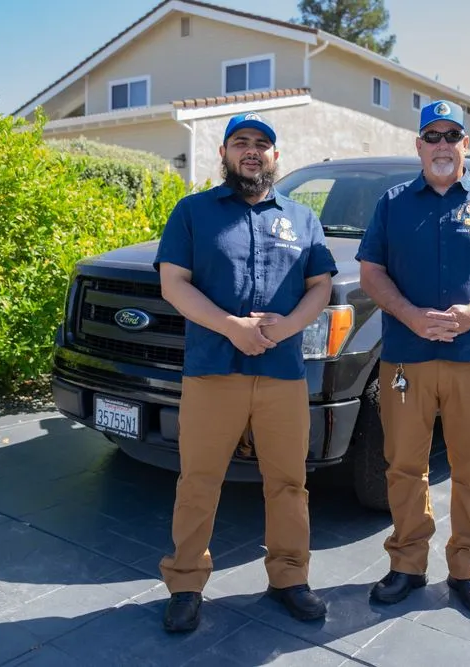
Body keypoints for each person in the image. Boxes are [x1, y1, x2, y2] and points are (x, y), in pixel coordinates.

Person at [154, 112, 338, 632]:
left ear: (275, 156)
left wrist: (286, 328)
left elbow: (320, 286)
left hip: (282, 373)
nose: (251, 150)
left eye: (261, 143)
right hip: (213, 370)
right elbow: (173, 283)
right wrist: (231, 327)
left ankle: (290, 578)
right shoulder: (193, 212)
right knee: (199, 481)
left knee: (288, 482)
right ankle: (186, 583)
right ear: (224, 153)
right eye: (240, 142)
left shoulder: (302, 219)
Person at [355, 100, 470, 614]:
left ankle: (467, 571)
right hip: (406, 359)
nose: (441, 144)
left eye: (451, 135)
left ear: (465, 145)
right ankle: (407, 564)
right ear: (419, 145)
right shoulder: (393, 204)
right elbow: (371, 272)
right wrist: (410, 315)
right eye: (431, 136)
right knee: (404, 467)